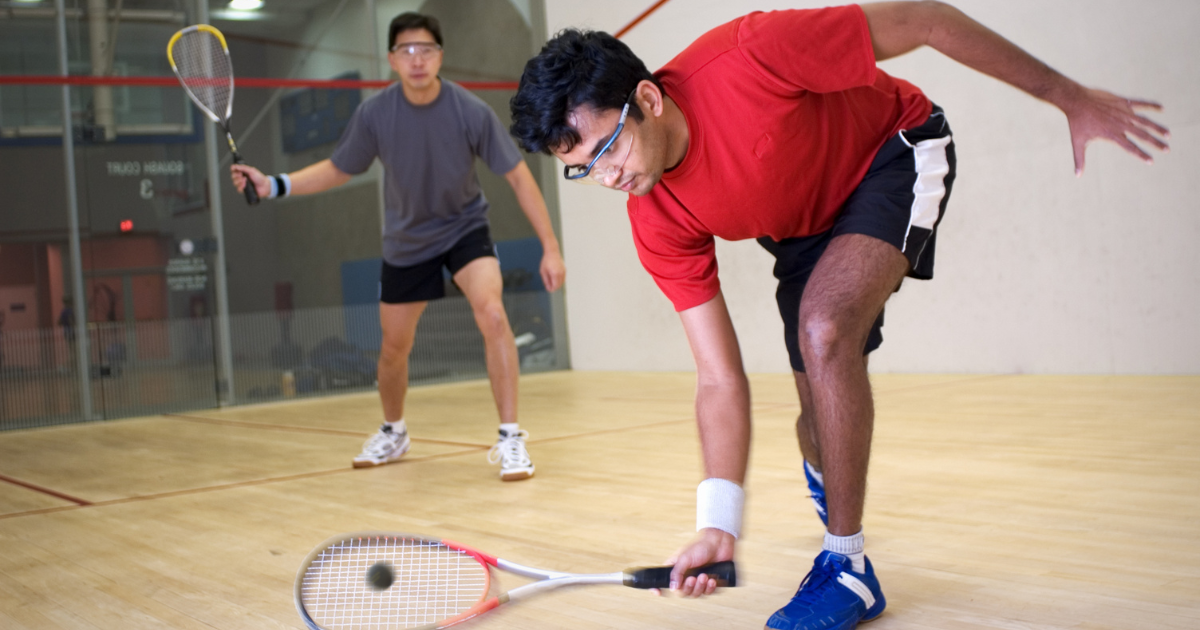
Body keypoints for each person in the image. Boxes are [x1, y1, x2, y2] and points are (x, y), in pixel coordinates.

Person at [509, 2, 1166, 627]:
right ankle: (831, 472)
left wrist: (1068, 96)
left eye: (608, 149)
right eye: (582, 168)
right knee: (818, 417)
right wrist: (719, 523)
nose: (606, 176)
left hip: (896, 152)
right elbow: (717, 378)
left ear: (647, 100)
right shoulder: (654, 218)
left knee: (823, 330)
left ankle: (847, 567)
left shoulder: (752, 53)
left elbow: (928, 19)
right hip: (803, 230)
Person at [233, 12, 566, 481]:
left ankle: (511, 437)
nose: (417, 60)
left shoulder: (470, 111)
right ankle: (394, 431)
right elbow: (338, 168)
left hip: (466, 229)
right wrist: (275, 184)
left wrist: (550, 246)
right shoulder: (374, 114)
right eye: (407, 51)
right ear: (392, 59)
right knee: (393, 347)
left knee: (492, 314)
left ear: (440, 57)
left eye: (426, 50)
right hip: (408, 242)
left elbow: (517, 176)